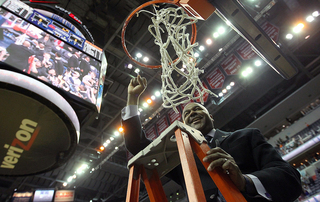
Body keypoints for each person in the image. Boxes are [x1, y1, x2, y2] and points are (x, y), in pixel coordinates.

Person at [121, 75, 302, 202]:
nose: (192, 114)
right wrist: (132, 98)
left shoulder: (247, 136)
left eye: (197, 109)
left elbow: (289, 178)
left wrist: (244, 180)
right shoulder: (181, 159)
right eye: (187, 114)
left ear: (211, 117)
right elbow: (136, 144)